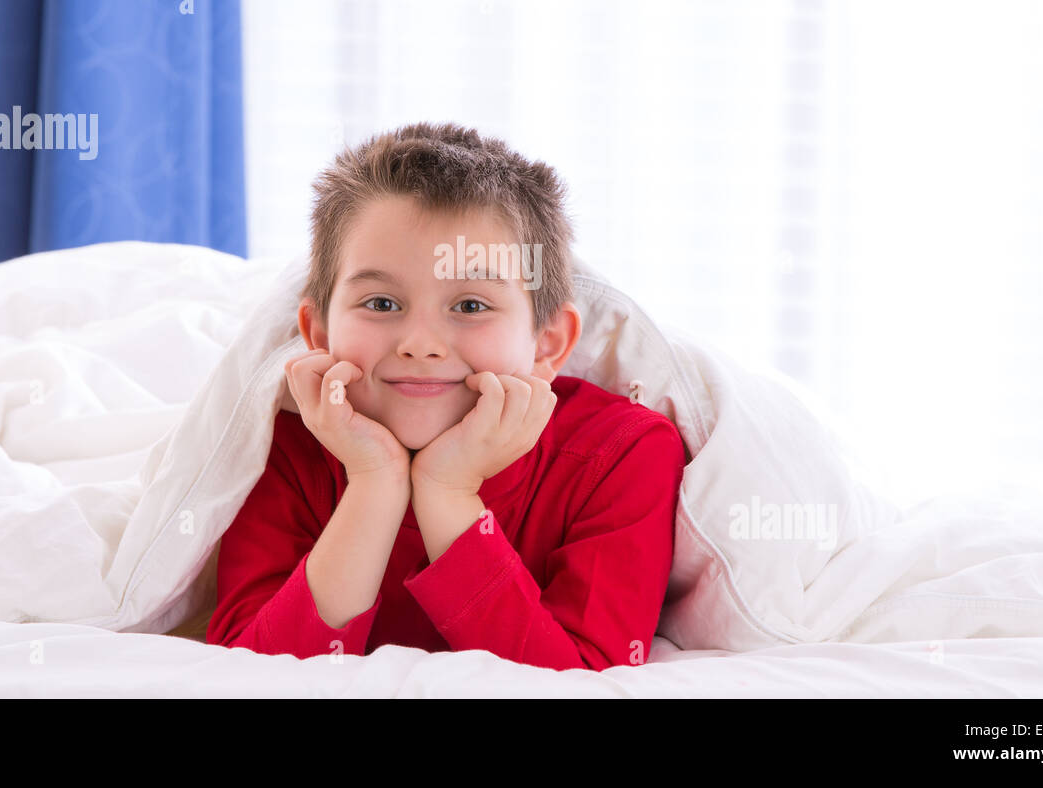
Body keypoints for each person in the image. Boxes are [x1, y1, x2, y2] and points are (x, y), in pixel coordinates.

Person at [206, 121, 687, 671]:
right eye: (382, 304)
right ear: (319, 334)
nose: (421, 345)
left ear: (547, 343)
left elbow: (575, 680)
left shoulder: (623, 453)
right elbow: (251, 673)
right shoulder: (281, 442)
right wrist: (373, 481)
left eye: (471, 306)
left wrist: (447, 491)